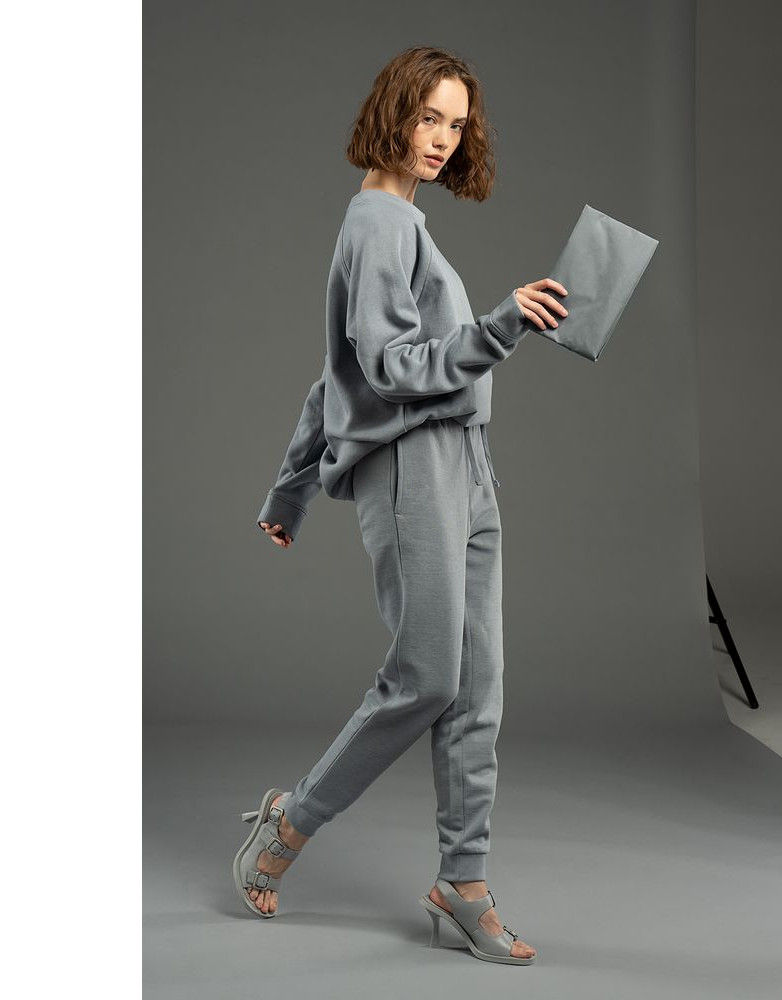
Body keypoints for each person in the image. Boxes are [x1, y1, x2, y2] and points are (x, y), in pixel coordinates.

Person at [235, 45, 567, 966]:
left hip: (468, 469)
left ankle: (464, 884)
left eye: (457, 124)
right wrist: (500, 324)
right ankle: (289, 822)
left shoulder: (404, 225)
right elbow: (386, 371)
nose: (443, 139)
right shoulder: (379, 223)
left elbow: (333, 377)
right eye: (429, 117)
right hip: (412, 467)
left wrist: (291, 487)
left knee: (478, 688)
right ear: (394, 112)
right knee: (426, 677)